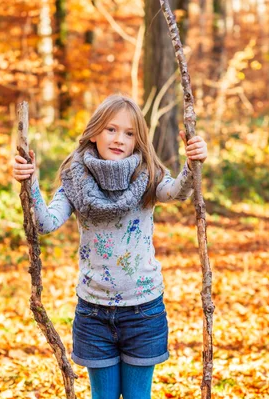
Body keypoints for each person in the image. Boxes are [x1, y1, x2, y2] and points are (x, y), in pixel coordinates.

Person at [12, 94, 208, 399]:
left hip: (143, 310)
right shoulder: (76, 180)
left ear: (137, 140)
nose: (119, 139)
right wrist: (30, 182)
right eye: (111, 129)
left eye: (129, 133)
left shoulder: (147, 176)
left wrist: (192, 164)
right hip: (94, 313)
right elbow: (45, 224)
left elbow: (177, 193)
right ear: (94, 132)